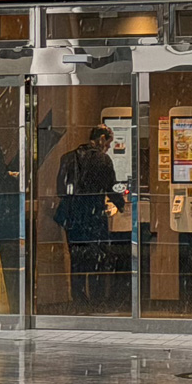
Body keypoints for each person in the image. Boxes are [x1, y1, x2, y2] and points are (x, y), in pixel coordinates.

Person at [53, 126, 124, 308]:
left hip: (73, 217)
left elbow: (60, 189)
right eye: (108, 143)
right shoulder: (103, 160)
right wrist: (121, 204)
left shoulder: (67, 158)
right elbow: (111, 187)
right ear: (101, 139)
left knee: (76, 259)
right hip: (93, 216)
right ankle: (96, 300)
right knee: (97, 259)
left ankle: (79, 300)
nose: (107, 148)